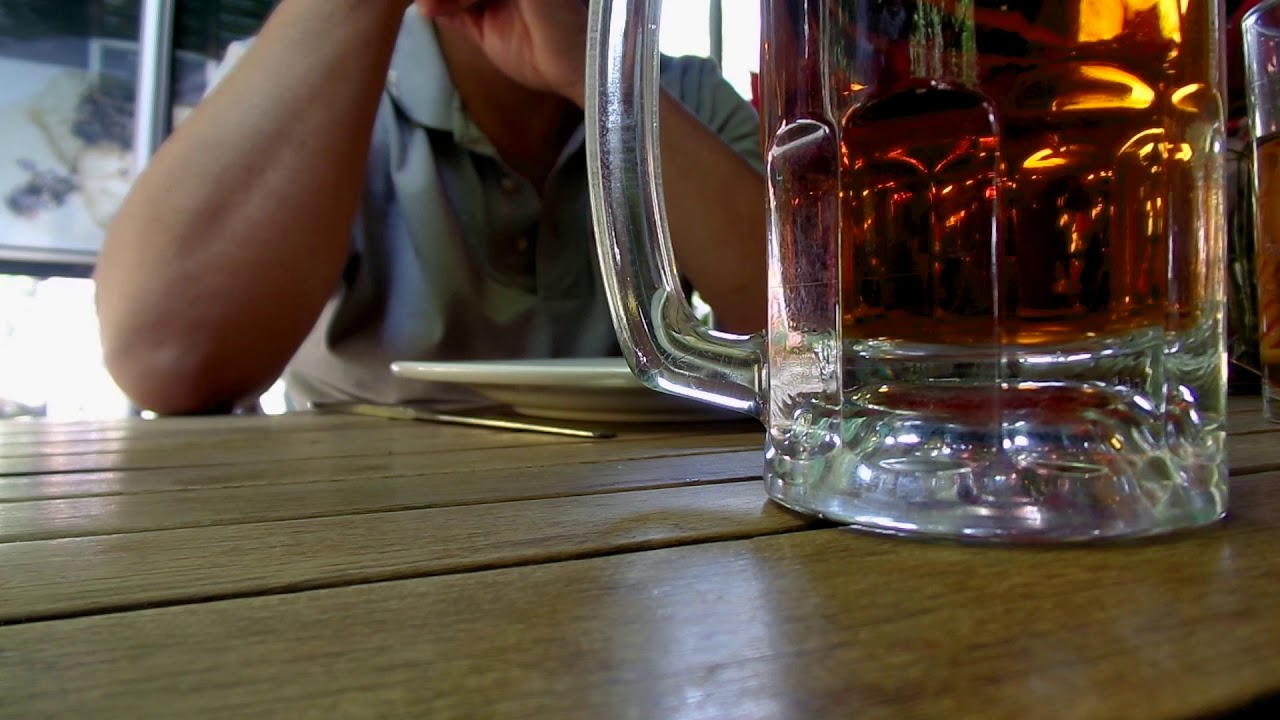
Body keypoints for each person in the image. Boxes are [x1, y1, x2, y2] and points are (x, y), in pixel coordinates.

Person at [94, 0, 767, 415]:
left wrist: (591, 72)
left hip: (632, 516)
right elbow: (168, 362)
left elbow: (813, 344)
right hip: (349, 520)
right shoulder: (317, 78)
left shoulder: (686, 96)